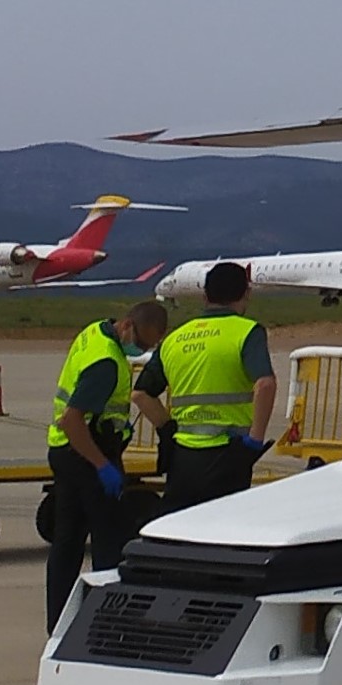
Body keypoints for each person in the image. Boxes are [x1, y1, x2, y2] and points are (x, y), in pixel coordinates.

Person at [44, 296, 169, 629]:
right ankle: (106, 620)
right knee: (108, 540)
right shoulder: (107, 362)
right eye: (142, 342)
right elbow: (73, 419)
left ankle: (58, 622)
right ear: (128, 326)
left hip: (64, 451)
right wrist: (102, 465)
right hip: (86, 453)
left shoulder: (94, 332)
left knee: (67, 542)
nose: (142, 349)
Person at [147, 264, 280, 513]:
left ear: (205, 296)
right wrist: (255, 438)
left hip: (183, 456)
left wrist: (167, 428)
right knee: (223, 529)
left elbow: (141, 393)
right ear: (246, 294)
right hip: (228, 453)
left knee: (182, 530)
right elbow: (265, 383)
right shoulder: (247, 332)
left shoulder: (175, 337)